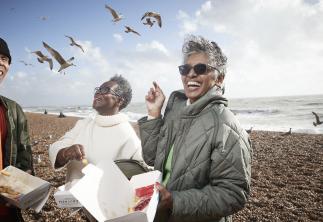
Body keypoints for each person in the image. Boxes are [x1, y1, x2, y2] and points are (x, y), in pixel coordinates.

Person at [138, 35, 252, 222]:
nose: (191, 74)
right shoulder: (175, 110)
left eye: (200, 68)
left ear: (219, 79)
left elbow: (233, 195)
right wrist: (154, 114)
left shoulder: (226, 126)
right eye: (185, 68)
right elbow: (151, 157)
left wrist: (175, 201)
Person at [49, 74, 143, 179]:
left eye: (105, 90)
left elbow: (141, 175)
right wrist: (65, 153)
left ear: (120, 101)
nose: (98, 92)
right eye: (98, 89)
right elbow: (56, 147)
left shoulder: (129, 136)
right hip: (69, 194)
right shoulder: (84, 123)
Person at [0, 38, 34, 221]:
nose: (1, 62)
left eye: (5, 58)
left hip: (6, 212)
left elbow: (25, 157)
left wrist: (21, 187)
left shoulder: (14, 111)